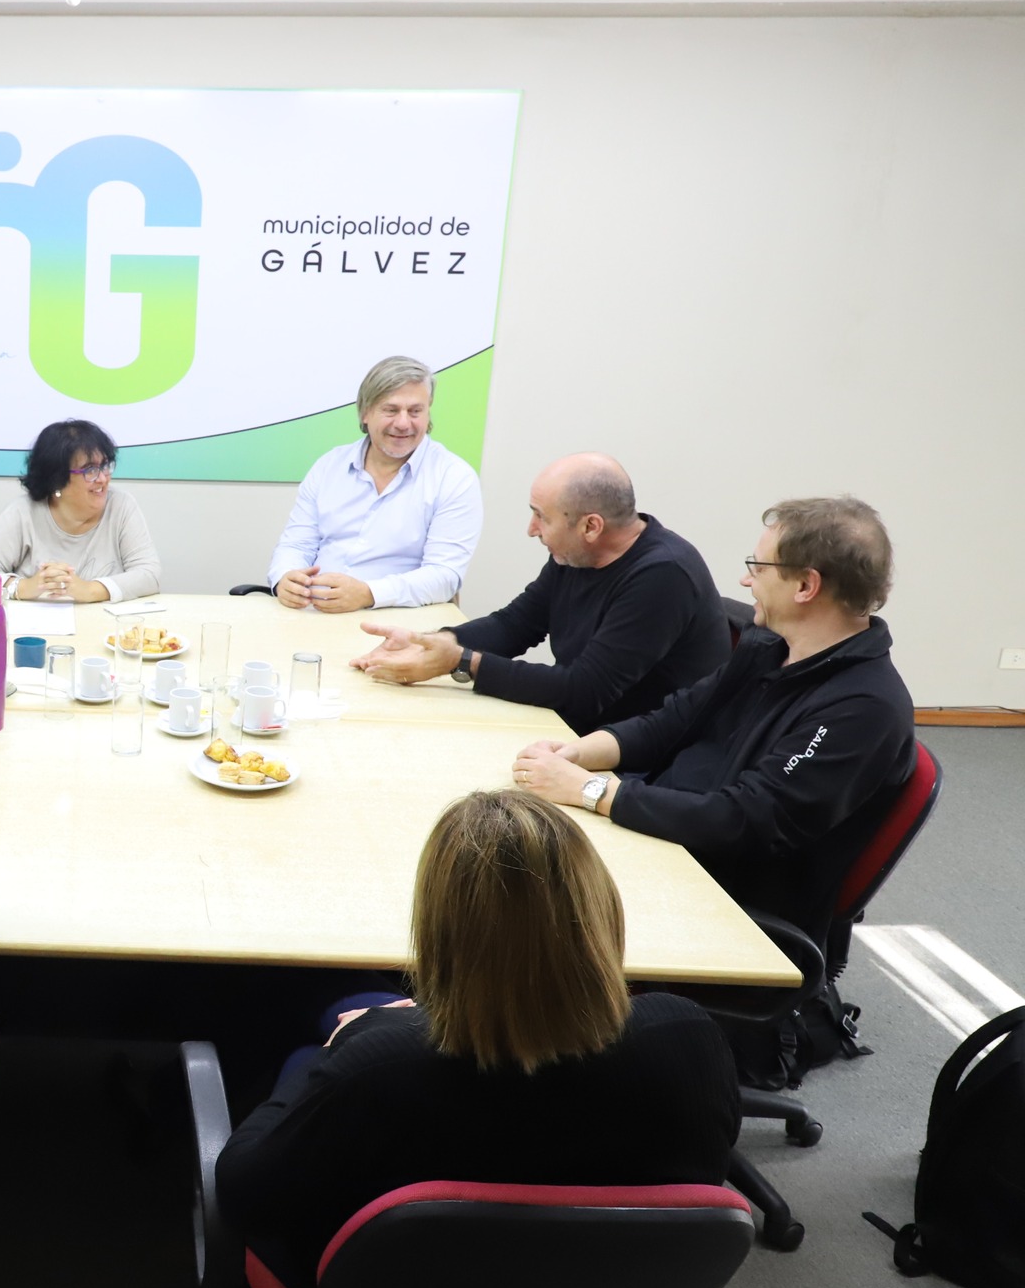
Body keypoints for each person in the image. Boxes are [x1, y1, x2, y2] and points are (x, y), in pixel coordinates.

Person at [214, 790, 738, 1288]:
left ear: (439, 933)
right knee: (346, 999)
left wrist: (339, 1046)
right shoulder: (688, 1037)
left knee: (299, 1038)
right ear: (601, 911)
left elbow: (243, 1193)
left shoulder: (375, 1070)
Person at [513, 496, 916, 945]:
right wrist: (574, 755)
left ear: (806, 585)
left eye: (758, 567)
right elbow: (670, 721)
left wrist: (590, 791)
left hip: (720, 901)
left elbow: (743, 819)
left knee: (516, 892)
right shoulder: (770, 649)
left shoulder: (864, 708)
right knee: (510, 844)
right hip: (666, 840)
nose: (746, 580)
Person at [349, 454, 729, 734]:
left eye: (541, 516)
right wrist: (435, 642)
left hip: (645, 753)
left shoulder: (663, 575)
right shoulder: (577, 554)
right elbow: (516, 624)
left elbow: (586, 689)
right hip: (582, 728)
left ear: (591, 527)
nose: (531, 529)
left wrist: (462, 662)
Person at [267, 355, 483, 612]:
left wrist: (369, 594)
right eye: (391, 410)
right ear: (365, 412)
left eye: (415, 411)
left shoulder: (454, 477)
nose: (403, 423)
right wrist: (285, 578)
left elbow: (444, 576)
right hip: (314, 613)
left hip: (400, 620)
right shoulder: (329, 466)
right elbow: (296, 544)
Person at [0, 418, 161, 602]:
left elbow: (149, 574)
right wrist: (22, 587)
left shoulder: (121, 505)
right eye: (90, 470)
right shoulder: (25, 511)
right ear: (57, 479)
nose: (102, 478)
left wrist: (90, 590)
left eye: (105, 466)